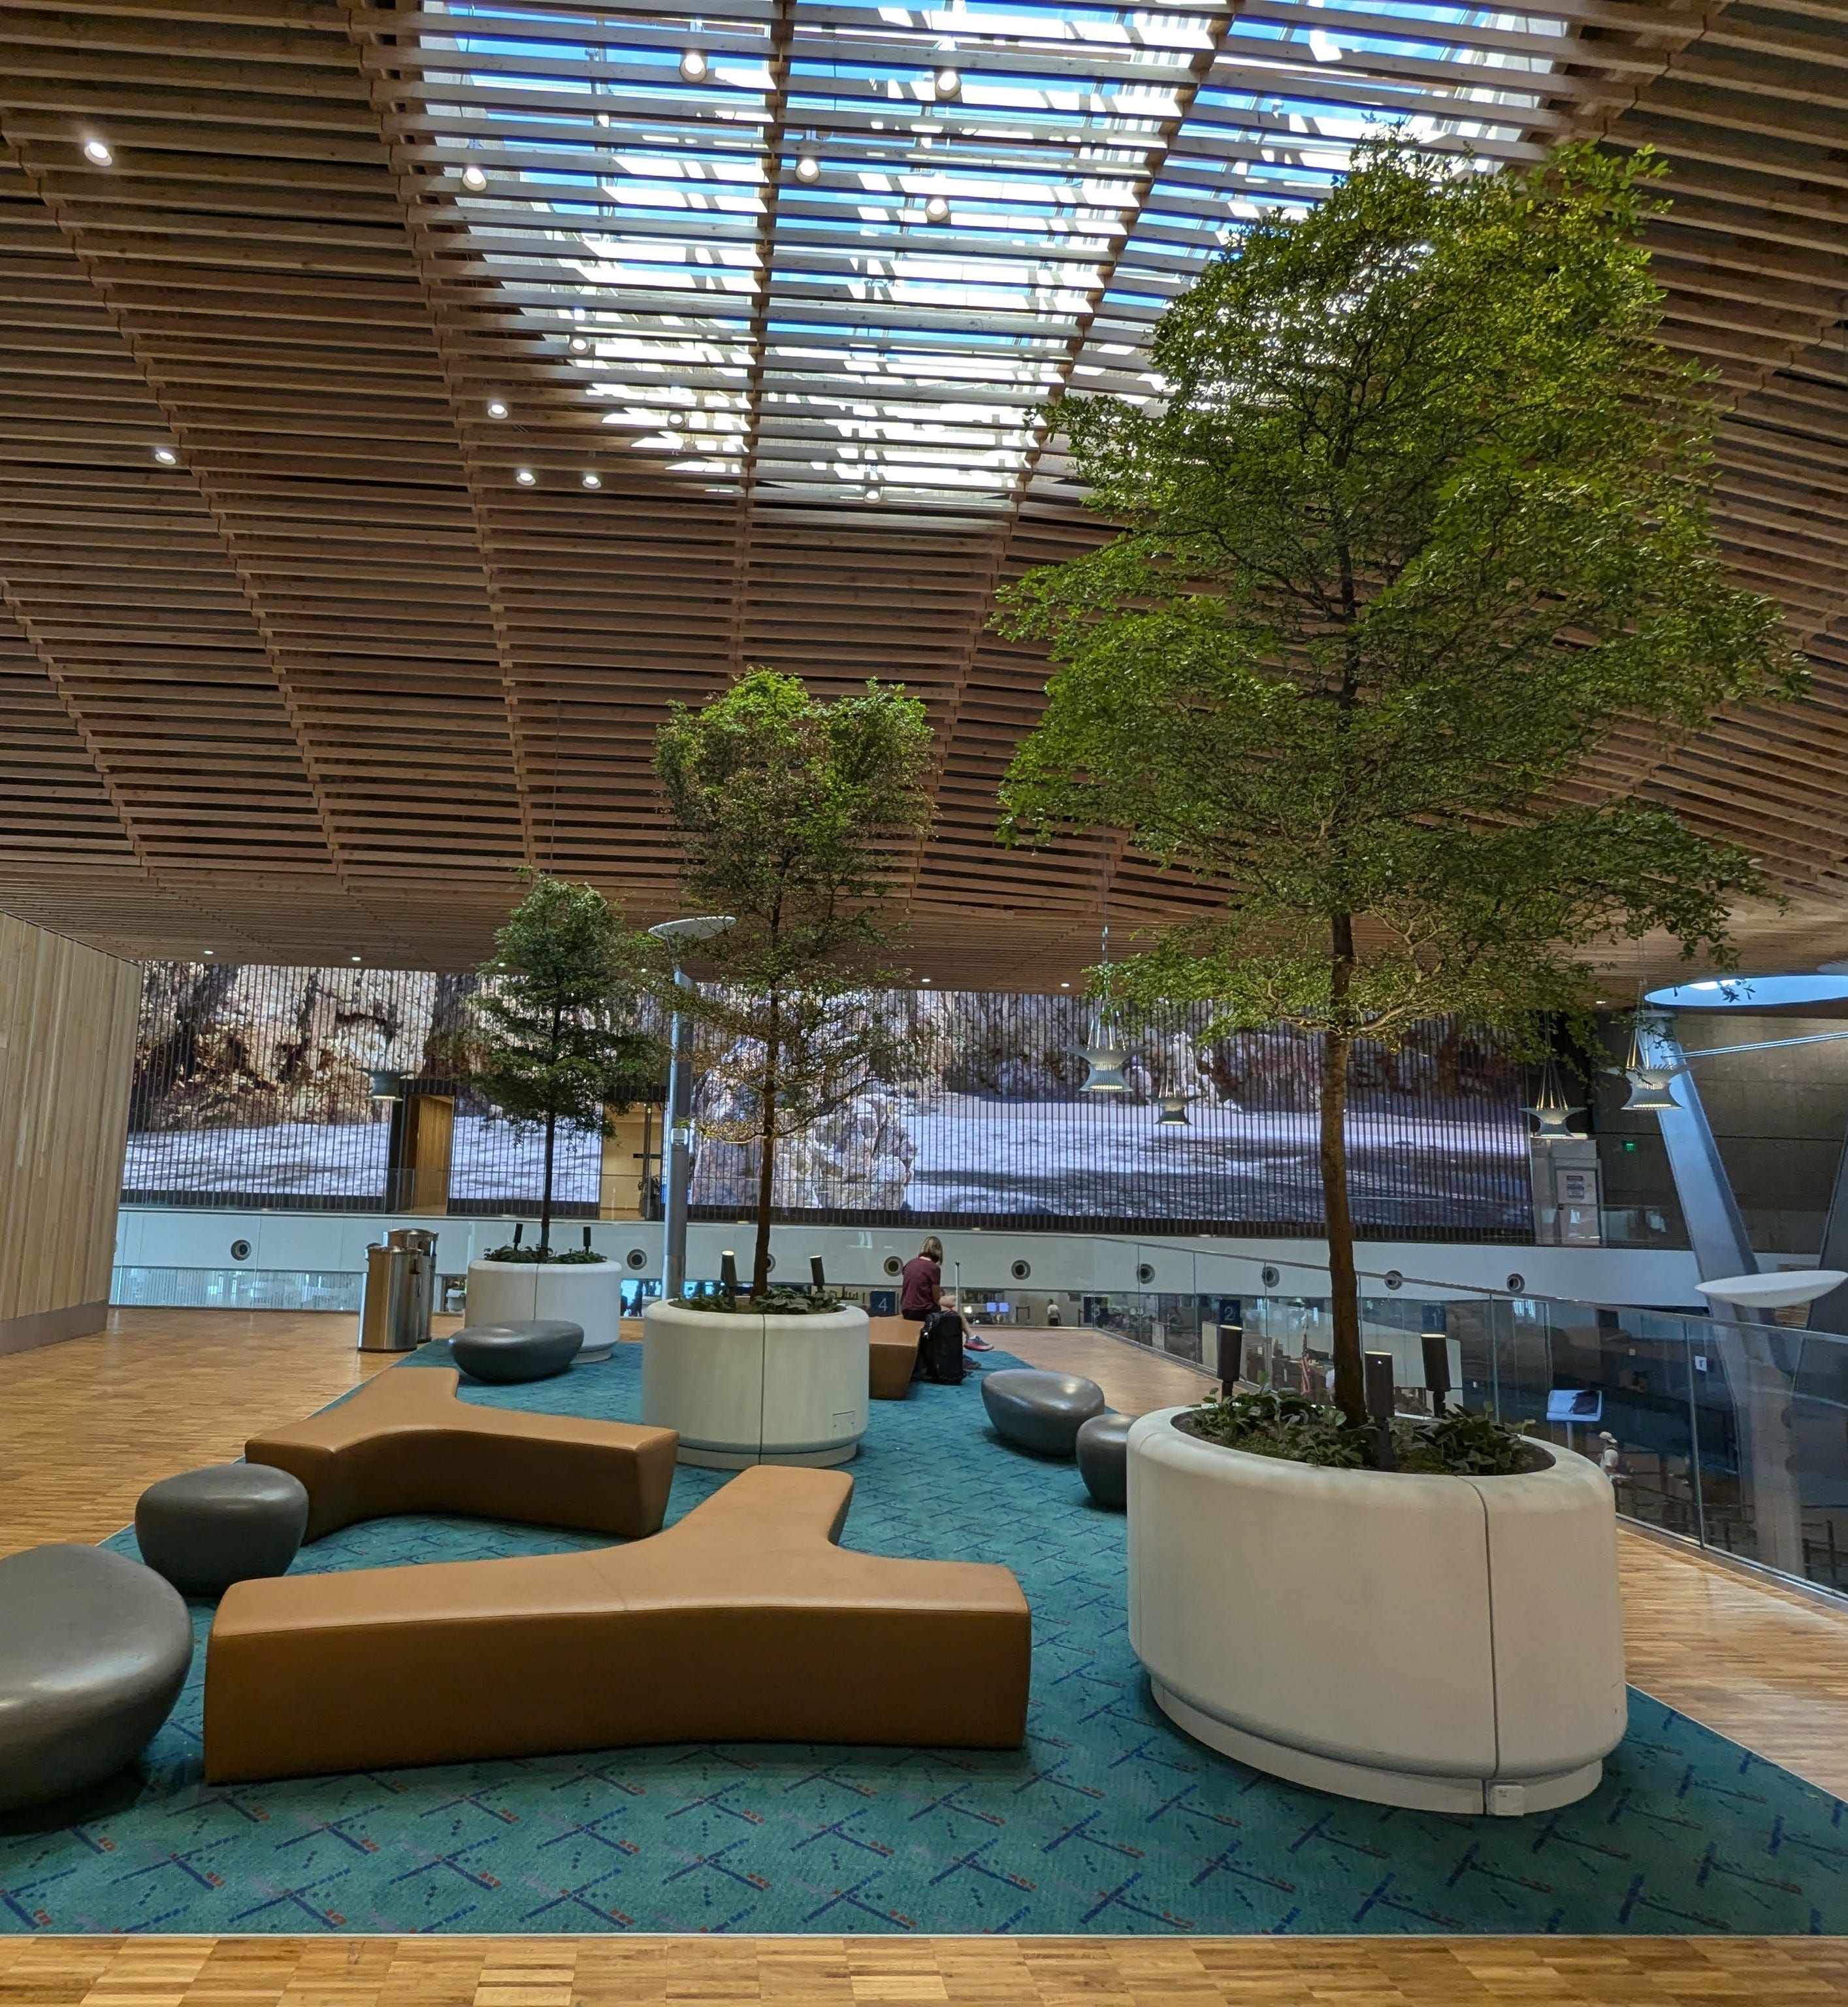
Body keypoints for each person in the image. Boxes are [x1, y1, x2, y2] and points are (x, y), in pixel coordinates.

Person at [899, 1237, 943, 1322]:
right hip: (923, 1311)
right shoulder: (934, 1268)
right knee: (948, 1312)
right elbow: (936, 1299)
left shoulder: (910, 1263)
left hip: (906, 1311)